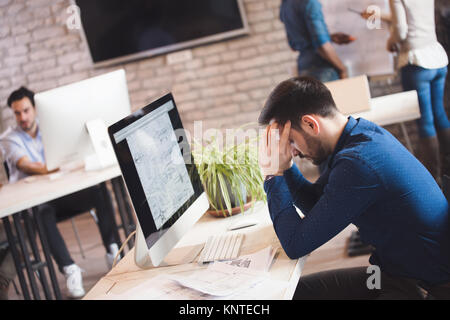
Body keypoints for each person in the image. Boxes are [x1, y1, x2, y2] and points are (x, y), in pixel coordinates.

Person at [258, 76, 450, 299]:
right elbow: (316, 206)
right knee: (295, 294)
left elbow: (295, 244)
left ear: (311, 124)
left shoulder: (359, 162)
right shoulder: (359, 136)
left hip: (423, 286)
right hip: (391, 273)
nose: (293, 151)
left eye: (290, 141)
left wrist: (273, 175)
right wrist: (287, 168)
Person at [1, 86, 121, 299]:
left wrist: (71, 160)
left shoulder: (52, 128)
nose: (22, 117)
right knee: (42, 211)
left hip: (61, 194)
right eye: (17, 113)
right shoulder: (9, 138)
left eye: (26, 111)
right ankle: (69, 269)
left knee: (99, 193)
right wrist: (61, 164)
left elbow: (73, 157)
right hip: (34, 203)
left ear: (35, 109)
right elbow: (28, 166)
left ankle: (113, 250)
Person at [362, 0, 450, 184]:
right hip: (436, 56)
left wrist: (390, 40)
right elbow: (414, 16)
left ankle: (434, 178)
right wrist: (381, 15)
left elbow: (401, 30)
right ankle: (447, 169)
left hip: (416, 61)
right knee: (440, 115)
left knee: (425, 122)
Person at [279, 0, 353, 82]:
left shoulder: (285, 5)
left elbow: (293, 46)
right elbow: (321, 45)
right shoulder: (310, 2)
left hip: (304, 68)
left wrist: (329, 37)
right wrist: (342, 69)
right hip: (323, 70)